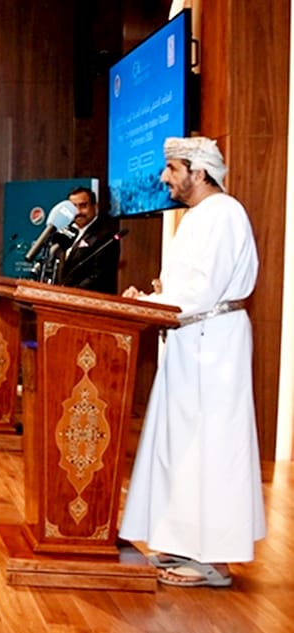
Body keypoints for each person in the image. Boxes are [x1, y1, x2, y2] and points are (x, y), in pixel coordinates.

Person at [119, 136, 264, 588]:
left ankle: (216, 561)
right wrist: (155, 298)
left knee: (211, 446)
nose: (165, 178)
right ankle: (186, 544)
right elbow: (187, 285)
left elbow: (202, 291)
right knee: (183, 447)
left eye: (172, 169)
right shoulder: (200, 217)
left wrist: (154, 305)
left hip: (212, 347)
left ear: (198, 173)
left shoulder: (224, 213)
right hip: (191, 342)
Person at [57, 186, 120, 294]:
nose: (78, 212)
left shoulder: (105, 235)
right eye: (74, 207)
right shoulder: (67, 232)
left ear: (95, 207)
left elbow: (99, 276)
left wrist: (70, 294)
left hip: (90, 302)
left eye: (83, 206)